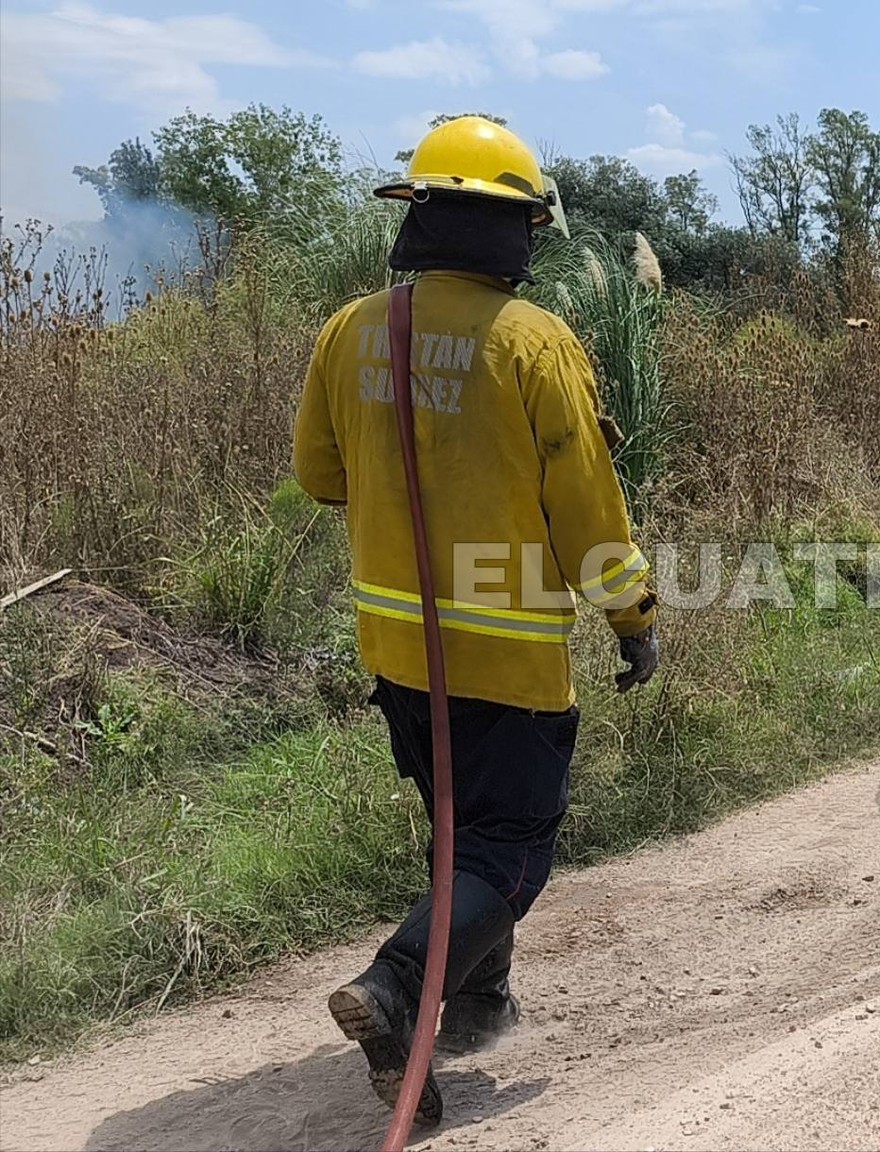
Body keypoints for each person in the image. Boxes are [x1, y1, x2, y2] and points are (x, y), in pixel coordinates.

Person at [292, 116, 660, 1124]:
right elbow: (588, 514)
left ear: (418, 216)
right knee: (510, 848)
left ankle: (476, 1004)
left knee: (458, 835)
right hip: (508, 657)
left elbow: (319, 474)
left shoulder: (350, 330)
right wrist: (632, 614)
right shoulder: (534, 343)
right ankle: (398, 986)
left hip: (398, 651)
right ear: (515, 228)